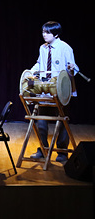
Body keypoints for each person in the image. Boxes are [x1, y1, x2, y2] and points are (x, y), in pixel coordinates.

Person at [28, 21, 79, 163]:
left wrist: (71, 68)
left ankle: (62, 152)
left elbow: (74, 68)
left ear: (56, 34)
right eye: (43, 32)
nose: (44, 35)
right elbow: (40, 63)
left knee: (62, 121)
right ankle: (43, 149)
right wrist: (31, 72)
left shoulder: (65, 48)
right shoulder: (43, 48)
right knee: (41, 120)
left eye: (47, 32)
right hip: (46, 87)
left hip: (61, 90)